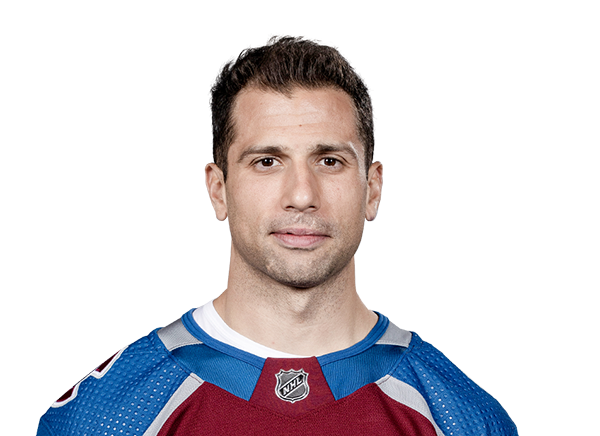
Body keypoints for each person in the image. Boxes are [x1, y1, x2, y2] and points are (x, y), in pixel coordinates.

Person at [37, 39, 518, 436]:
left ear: (371, 190)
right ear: (219, 190)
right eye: (267, 162)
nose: (302, 195)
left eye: (329, 161)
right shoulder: (105, 417)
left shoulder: (464, 419)